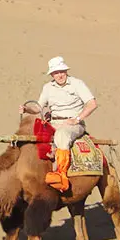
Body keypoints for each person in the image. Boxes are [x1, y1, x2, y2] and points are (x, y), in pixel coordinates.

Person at [22, 56, 97, 192]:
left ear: (66, 71)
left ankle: (60, 174)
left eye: (62, 71)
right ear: (52, 74)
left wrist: (77, 119)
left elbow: (92, 104)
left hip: (72, 123)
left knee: (62, 135)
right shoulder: (48, 87)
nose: (60, 75)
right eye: (56, 72)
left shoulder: (77, 84)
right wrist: (27, 109)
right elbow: (39, 108)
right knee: (32, 134)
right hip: (54, 122)